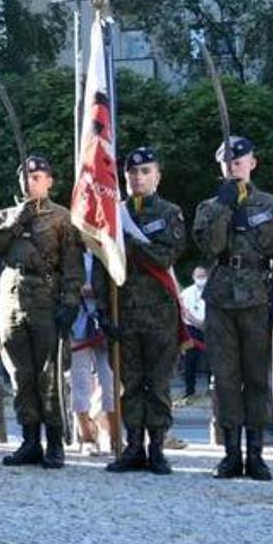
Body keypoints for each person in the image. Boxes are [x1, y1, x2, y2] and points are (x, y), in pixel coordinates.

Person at [192, 136, 273, 481]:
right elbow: (211, 249)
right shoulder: (209, 208)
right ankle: (230, 452)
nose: (233, 166)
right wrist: (224, 207)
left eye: (239, 160)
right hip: (221, 298)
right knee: (224, 378)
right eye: (226, 162)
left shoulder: (272, 206)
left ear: (253, 162)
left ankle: (256, 452)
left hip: (257, 297)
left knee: (256, 378)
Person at [0, 156, 85, 470]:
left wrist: (70, 303)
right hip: (11, 300)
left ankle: (54, 443)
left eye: (38, 176)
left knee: (48, 375)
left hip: (46, 299)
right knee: (19, 374)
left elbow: (72, 266)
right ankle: (29, 440)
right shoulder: (5, 215)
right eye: (27, 176)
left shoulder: (62, 218)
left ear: (49, 181)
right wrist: (16, 221)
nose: (32, 182)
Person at [98, 147, 185, 475]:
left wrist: (131, 242)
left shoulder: (169, 213)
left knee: (158, 383)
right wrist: (105, 311)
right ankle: (133, 446)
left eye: (145, 171)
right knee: (129, 383)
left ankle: (157, 447)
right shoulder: (113, 213)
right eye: (132, 173)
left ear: (157, 176)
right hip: (125, 314)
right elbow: (103, 267)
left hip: (159, 313)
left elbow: (164, 258)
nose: (138, 177)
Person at [68, 287, 115, 456]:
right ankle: (86, 437)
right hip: (76, 320)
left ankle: (112, 434)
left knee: (110, 383)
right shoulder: (71, 260)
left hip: (105, 321)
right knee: (80, 383)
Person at [179, 265, 210, 401]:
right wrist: (196, 322)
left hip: (209, 328)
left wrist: (205, 324)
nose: (201, 279)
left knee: (212, 361)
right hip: (191, 329)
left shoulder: (212, 291)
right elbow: (184, 311)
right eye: (198, 276)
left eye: (203, 276)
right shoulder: (186, 293)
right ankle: (189, 390)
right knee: (190, 361)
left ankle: (211, 389)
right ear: (193, 277)